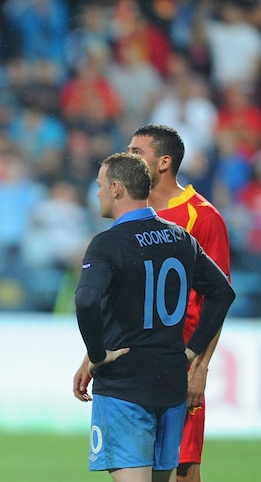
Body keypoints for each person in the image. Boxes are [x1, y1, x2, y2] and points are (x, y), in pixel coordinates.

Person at [74, 125, 232, 482]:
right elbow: (124, 299)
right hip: (166, 367)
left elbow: (217, 296)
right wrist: (93, 354)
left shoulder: (201, 218)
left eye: (136, 151)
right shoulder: (168, 231)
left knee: (186, 471)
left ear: (163, 162)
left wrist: (199, 363)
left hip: (173, 366)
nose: (129, 157)